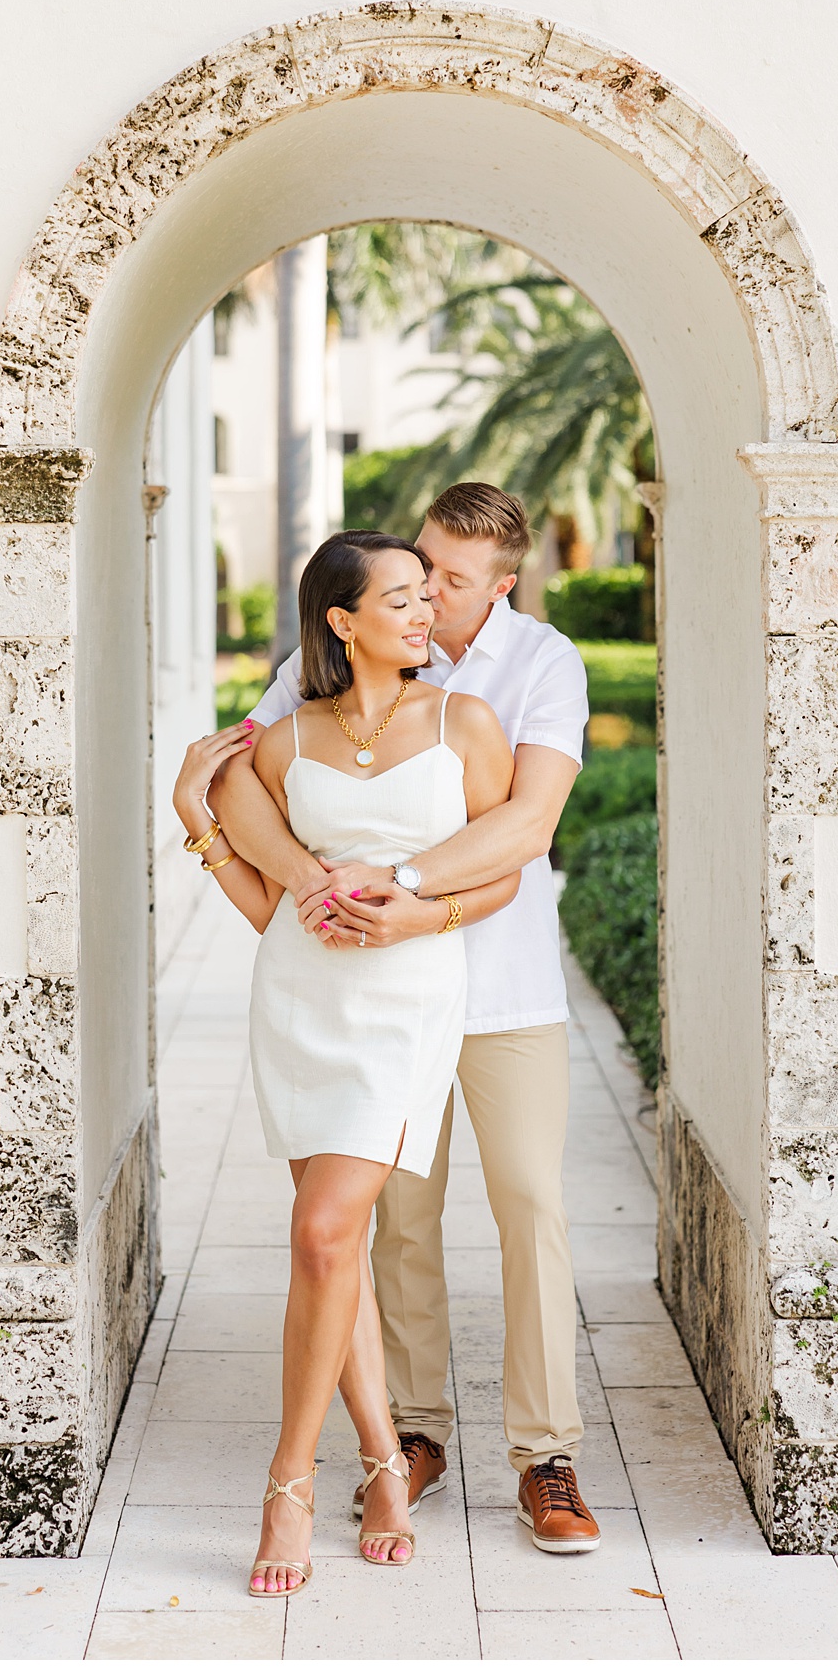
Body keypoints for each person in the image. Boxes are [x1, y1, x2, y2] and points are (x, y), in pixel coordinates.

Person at [213, 483, 602, 1554]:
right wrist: (308, 883)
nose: (431, 590)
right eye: (421, 568)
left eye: (453, 580)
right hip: (356, 994)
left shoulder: (539, 667)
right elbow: (241, 762)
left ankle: (544, 1453)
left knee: (529, 1203)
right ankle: (413, 1438)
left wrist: (404, 887)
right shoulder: (337, 657)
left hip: (498, 986)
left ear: (503, 585)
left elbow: (527, 823)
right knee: (399, 1228)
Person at [172, 530, 519, 1597]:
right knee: (340, 1252)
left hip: (406, 1005)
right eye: (404, 598)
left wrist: (420, 916)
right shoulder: (286, 739)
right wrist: (198, 819)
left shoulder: (467, 724)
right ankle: (381, 1466)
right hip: (297, 1005)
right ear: (343, 620)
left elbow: (503, 874)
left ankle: (287, 1484)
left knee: (322, 1232)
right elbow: (273, 908)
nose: (427, 615)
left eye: (428, 597)